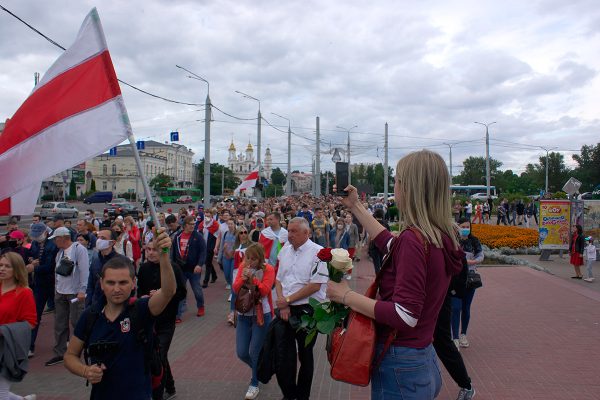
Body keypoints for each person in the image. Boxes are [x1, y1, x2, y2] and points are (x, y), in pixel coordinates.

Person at [327, 150, 464, 400]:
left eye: (397, 180)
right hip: (421, 356)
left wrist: (345, 295)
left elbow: (405, 314)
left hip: (401, 364)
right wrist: (355, 205)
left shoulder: (414, 239)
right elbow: (391, 244)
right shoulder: (440, 234)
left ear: (409, 188)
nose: (394, 186)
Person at [63, 228, 176, 400]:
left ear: (133, 283)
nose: (116, 289)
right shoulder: (90, 316)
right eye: (110, 282)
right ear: (101, 283)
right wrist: (86, 371)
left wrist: (164, 256)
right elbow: (70, 356)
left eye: (123, 282)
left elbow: (168, 291)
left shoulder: (142, 310)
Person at [274, 217, 329, 400]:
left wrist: (287, 300)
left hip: (308, 311)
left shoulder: (318, 253)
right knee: (283, 357)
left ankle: (303, 395)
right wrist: (283, 301)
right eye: (289, 230)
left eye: (294, 231)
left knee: (305, 356)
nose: (290, 235)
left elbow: (315, 285)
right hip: (286, 309)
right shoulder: (285, 251)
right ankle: (289, 394)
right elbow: (279, 279)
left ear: (307, 233)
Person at [137, 239, 187, 400]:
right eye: (148, 249)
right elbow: (139, 292)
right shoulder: (143, 268)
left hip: (166, 320)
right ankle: (170, 387)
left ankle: (158, 393)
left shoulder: (173, 268)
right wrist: (143, 298)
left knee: (159, 355)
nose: (150, 252)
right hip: (149, 320)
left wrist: (162, 293)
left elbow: (181, 293)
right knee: (158, 355)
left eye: (154, 250)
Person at [232, 244, 276, 399]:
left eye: (253, 258)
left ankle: (254, 383)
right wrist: (243, 279)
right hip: (244, 314)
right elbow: (235, 289)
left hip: (261, 315)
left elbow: (265, 291)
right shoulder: (243, 266)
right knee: (242, 352)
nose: (249, 261)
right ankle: (262, 370)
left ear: (260, 259)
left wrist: (254, 280)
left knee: (254, 352)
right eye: (247, 257)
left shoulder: (268, 269)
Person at [45, 227, 90, 367]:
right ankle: (60, 352)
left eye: (56, 239)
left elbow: (84, 270)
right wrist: (56, 290)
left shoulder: (78, 249)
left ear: (64, 237)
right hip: (60, 292)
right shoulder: (60, 253)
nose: (55, 242)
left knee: (77, 322)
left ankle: (82, 349)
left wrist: (82, 290)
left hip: (74, 292)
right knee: (60, 323)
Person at [0, 252, 37, 400]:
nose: (2, 269)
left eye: (7, 266)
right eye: (0, 265)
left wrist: (4, 331)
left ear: (16, 269)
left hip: (7, 348)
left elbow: (30, 322)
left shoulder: (24, 293)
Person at [25, 223, 60, 358]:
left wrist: (35, 267)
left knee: (60, 315)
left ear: (45, 233)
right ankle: (30, 345)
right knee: (35, 314)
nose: (36, 238)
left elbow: (52, 266)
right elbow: (32, 254)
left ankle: (65, 341)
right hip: (39, 284)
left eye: (38, 236)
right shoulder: (34, 243)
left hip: (53, 283)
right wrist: (32, 260)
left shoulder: (53, 244)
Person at [452, 218, 483, 350]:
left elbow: (481, 256)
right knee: (455, 308)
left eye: (467, 226)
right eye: (463, 226)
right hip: (455, 279)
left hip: (470, 279)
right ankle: (455, 338)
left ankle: (463, 334)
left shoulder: (474, 241)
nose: (465, 228)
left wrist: (469, 262)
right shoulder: (453, 240)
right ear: (457, 227)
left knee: (466, 308)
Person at [172, 216, 207, 320]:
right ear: (185, 225)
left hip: (194, 269)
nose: (193, 226)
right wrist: (173, 266)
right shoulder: (177, 236)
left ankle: (201, 306)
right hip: (181, 269)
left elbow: (203, 252)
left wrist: (199, 264)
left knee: (197, 290)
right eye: (190, 224)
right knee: (181, 291)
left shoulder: (198, 236)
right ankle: (178, 314)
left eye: (193, 224)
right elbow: (174, 253)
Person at [86, 229, 125, 309]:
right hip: (96, 306)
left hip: (115, 307)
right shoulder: (96, 260)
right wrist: (88, 305)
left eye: (103, 238)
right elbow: (90, 286)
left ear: (112, 242)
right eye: (98, 237)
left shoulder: (122, 261)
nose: (99, 240)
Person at [227, 226, 253, 325]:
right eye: (241, 233)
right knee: (234, 292)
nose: (243, 235)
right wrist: (225, 250)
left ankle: (244, 311)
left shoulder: (251, 245)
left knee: (244, 292)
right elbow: (230, 256)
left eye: (245, 232)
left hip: (246, 270)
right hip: (236, 271)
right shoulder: (236, 244)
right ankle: (232, 313)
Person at [200, 209, 219, 288]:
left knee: (207, 264)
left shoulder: (215, 224)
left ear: (211, 215)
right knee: (207, 262)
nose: (207, 216)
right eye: (205, 215)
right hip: (203, 246)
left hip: (210, 247)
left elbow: (218, 237)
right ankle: (214, 275)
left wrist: (216, 247)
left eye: (208, 215)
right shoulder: (202, 224)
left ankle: (205, 281)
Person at [368, 208, 390, 275]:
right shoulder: (386, 224)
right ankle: (383, 279)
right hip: (383, 246)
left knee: (376, 265)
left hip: (374, 246)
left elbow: (370, 236)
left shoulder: (373, 223)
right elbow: (389, 234)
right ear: (382, 215)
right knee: (382, 263)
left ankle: (378, 280)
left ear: (375, 215)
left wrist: (368, 246)